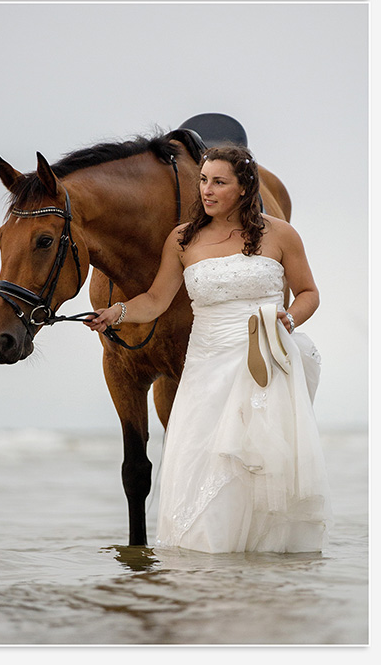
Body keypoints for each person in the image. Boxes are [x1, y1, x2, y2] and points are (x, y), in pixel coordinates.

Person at [85, 146, 331, 553]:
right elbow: (157, 300)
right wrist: (119, 312)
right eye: (203, 180)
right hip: (205, 371)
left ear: (244, 187)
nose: (207, 190)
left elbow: (308, 293)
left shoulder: (281, 235)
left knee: (261, 467)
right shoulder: (183, 240)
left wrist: (288, 319)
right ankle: (207, 576)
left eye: (219, 182)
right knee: (203, 469)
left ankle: (264, 577)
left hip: (263, 363)